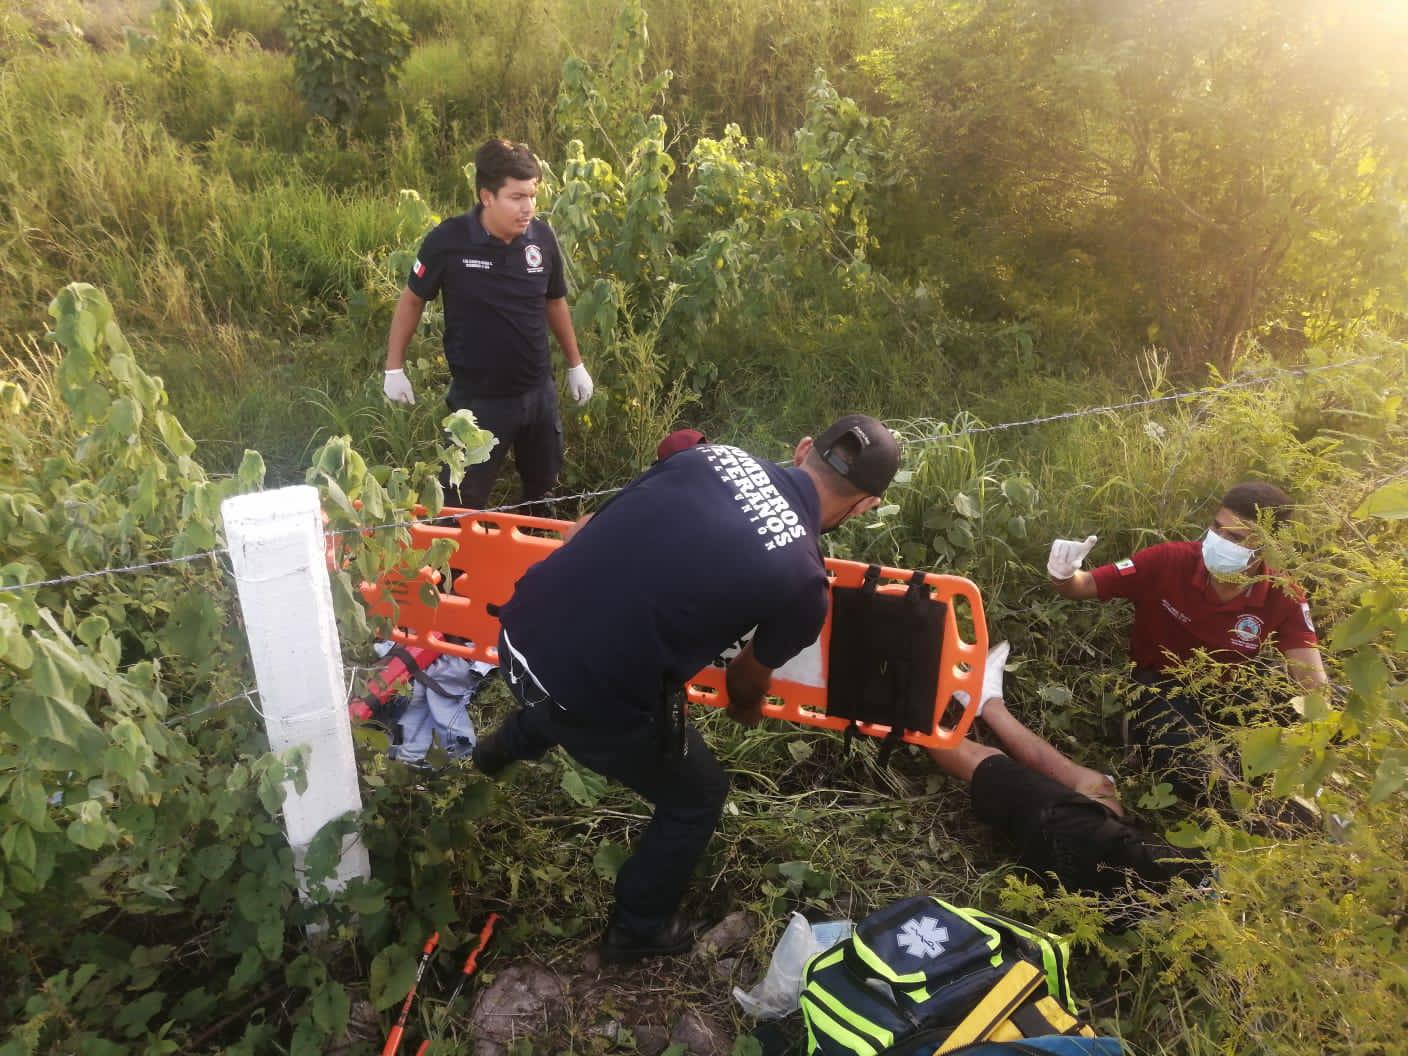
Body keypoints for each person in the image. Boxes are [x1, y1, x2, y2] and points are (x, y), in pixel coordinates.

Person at [472, 415, 902, 963]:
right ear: (865, 504)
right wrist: (747, 710)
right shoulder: (805, 580)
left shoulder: (708, 457)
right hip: (581, 696)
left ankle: (499, 750)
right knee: (697, 795)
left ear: (801, 449)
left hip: (514, 633)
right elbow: (746, 680)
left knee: (586, 665)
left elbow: (588, 527)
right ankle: (638, 927)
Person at [1045, 481, 1328, 803]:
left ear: (1264, 548)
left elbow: (1312, 683)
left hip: (1227, 689)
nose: (1219, 541)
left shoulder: (1282, 594)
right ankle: (1159, 750)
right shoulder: (1169, 561)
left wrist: (1320, 739)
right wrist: (1064, 572)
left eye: (1235, 538)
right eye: (1217, 528)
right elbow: (1082, 586)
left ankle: (1287, 790)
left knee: (1313, 714)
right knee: (1198, 770)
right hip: (1158, 685)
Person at [382, 138, 592, 511]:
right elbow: (412, 299)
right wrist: (394, 368)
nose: (528, 207)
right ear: (487, 196)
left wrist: (576, 365)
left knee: (544, 490)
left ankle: (536, 559)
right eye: (516, 197)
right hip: (479, 402)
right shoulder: (448, 241)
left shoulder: (541, 238)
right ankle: (459, 568)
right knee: (460, 501)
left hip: (538, 394)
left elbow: (554, 301)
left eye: (532, 195)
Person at [928, 643, 1209, 896]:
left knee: (991, 764)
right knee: (1096, 785)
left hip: (1094, 862)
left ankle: (910, 713)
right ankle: (987, 702)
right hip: (1129, 851)